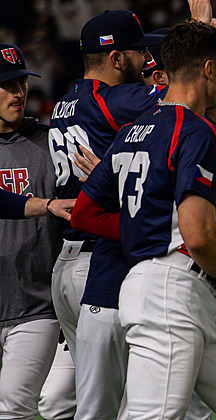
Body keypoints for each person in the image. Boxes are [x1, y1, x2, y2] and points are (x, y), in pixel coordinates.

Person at [73, 20, 216, 419]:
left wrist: (140, 230)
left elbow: (85, 211)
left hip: (177, 292)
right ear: (207, 70)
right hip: (171, 293)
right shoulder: (195, 130)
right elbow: (199, 234)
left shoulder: (133, 130)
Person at [47, 10, 166, 365]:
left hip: (66, 264)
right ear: (115, 58)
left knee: (90, 390)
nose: (146, 60)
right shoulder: (115, 100)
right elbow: (190, 94)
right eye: (139, 52)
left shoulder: (63, 104)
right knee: (126, 391)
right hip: (100, 260)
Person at [0, 42, 70, 420]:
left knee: (13, 407)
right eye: (7, 85)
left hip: (36, 305)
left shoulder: (50, 142)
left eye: (21, 83)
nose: (19, 93)